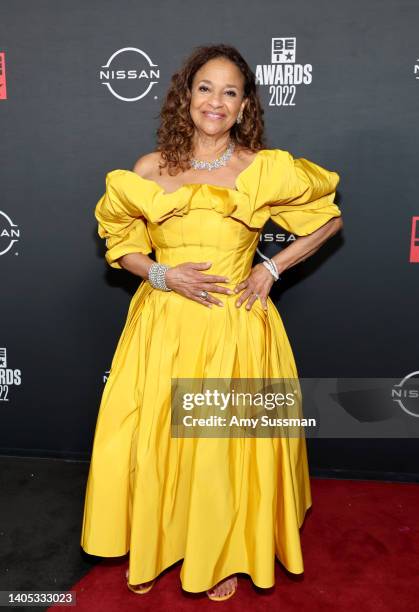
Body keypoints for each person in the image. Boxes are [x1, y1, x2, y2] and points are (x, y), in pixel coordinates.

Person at [80, 43, 343, 602]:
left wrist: (271, 267)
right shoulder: (149, 169)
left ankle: (222, 551)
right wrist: (160, 275)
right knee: (153, 441)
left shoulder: (261, 169)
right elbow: (123, 244)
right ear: (187, 95)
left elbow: (327, 219)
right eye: (206, 88)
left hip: (234, 329)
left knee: (221, 447)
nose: (216, 101)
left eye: (230, 91)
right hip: (163, 325)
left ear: (245, 105)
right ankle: (151, 541)